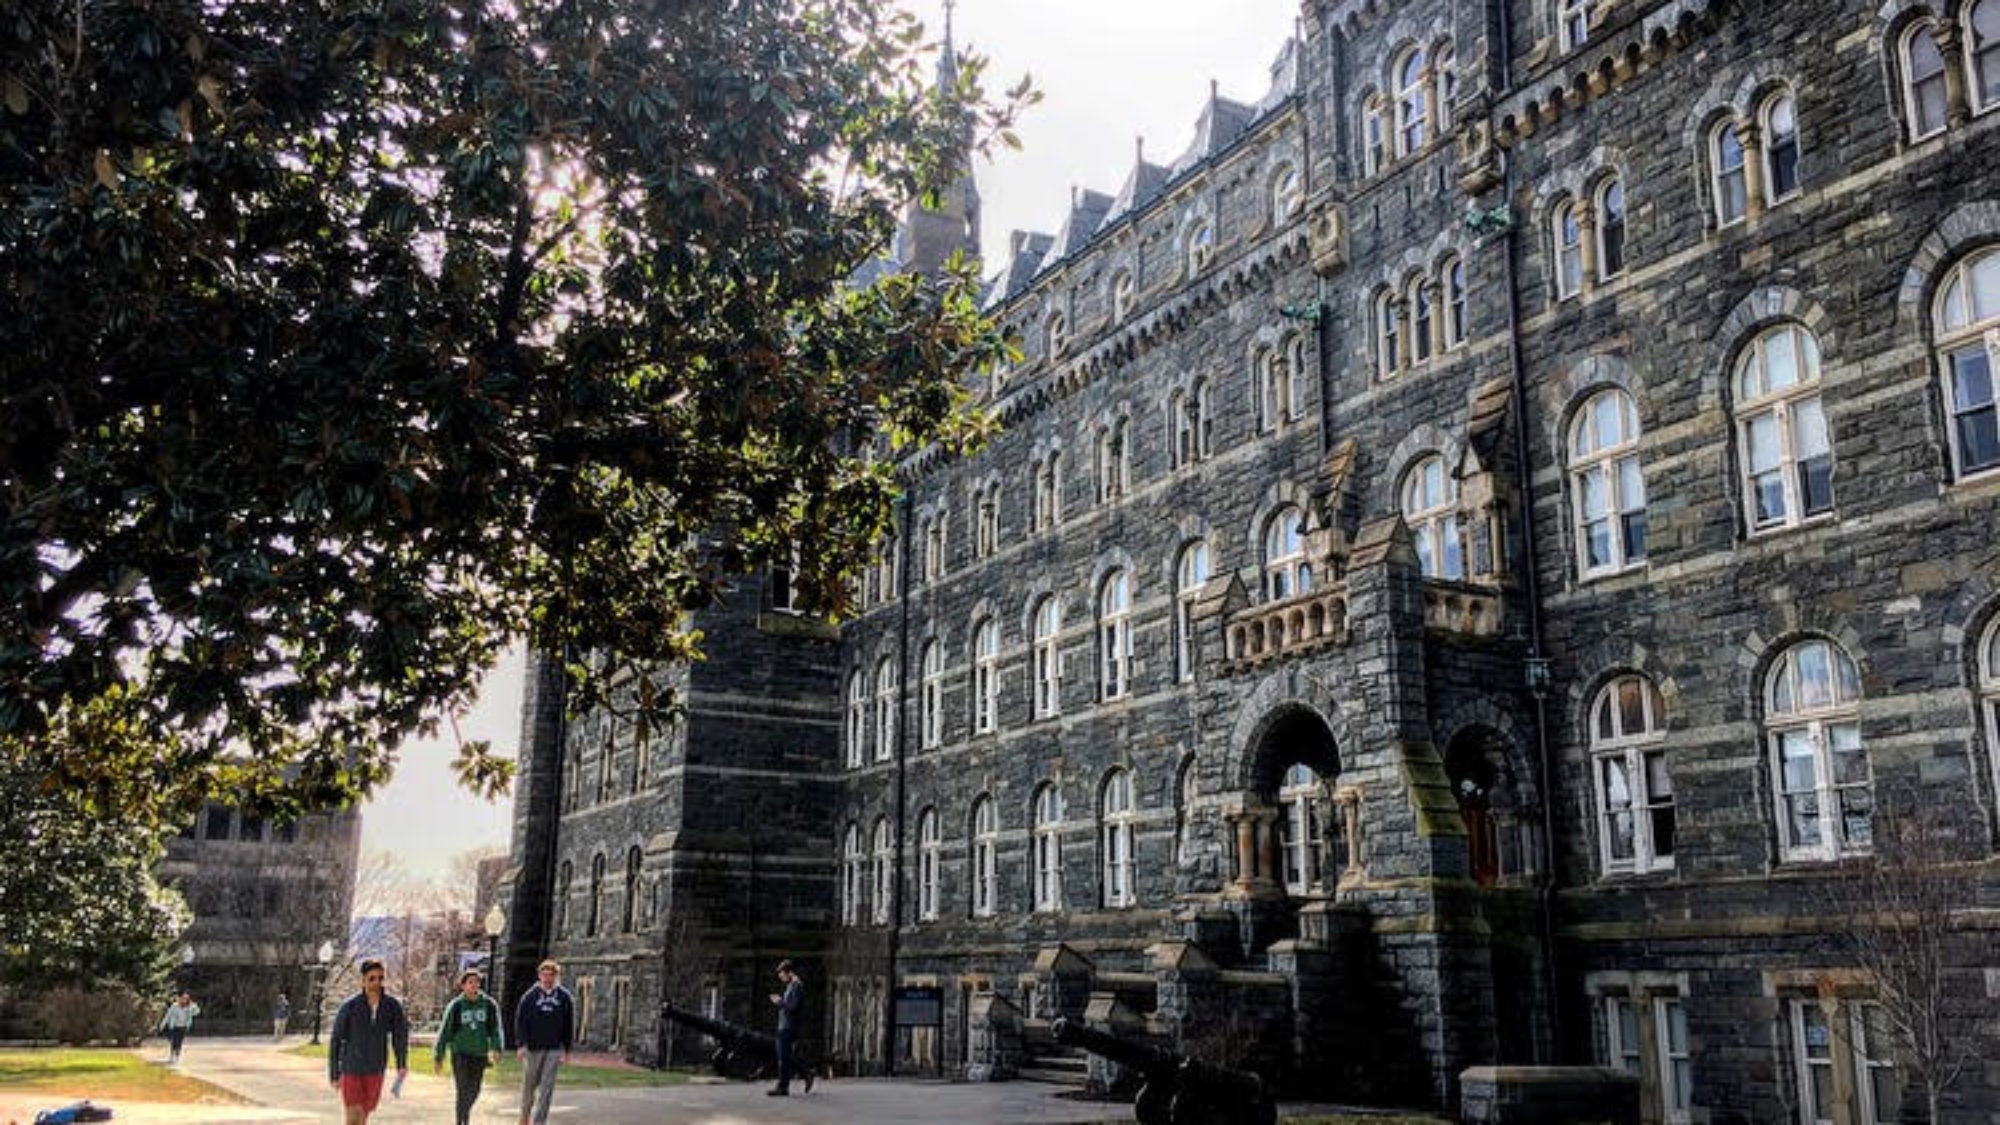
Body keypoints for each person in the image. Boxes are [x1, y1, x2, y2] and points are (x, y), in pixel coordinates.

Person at [326, 959, 410, 1125]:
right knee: (353, 1116)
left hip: (376, 1068)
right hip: (352, 1068)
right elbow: (336, 1040)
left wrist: (401, 1062)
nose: (377, 982)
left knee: (364, 1115)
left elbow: (400, 1036)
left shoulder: (392, 1006)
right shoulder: (350, 1006)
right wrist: (335, 1073)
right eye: (372, 978)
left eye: (380, 978)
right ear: (363, 980)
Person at [433, 970, 505, 1125]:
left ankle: (462, 1116)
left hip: (479, 1054)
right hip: (460, 1054)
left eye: (477, 982)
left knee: (474, 1091)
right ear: (463, 985)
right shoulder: (456, 1006)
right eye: (470, 982)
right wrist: (439, 1055)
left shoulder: (489, 1004)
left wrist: (497, 1048)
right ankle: (462, 1121)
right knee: (463, 1090)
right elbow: (445, 1031)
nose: (474, 986)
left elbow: (495, 1029)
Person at [513, 959, 575, 1125]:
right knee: (529, 1085)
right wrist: (521, 1044)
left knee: (547, 1088)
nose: (547, 978)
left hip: (553, 1048)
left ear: (556, 976)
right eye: (544, 975)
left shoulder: (564, 997)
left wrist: (567, 1049)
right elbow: (521, 1022)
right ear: (539, 975)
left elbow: (568, 1024)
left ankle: (540, 1121)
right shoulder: (530, 996)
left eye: (551, 975)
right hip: (533, 1048)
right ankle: (524, 1117)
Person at [766, 960, 813, 1096]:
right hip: (785, 1025)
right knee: (784, 1057)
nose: (780, 977)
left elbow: (792, 1007)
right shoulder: (791, 985)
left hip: (789, 1027)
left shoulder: (796, 986)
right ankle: (802, 1075)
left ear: (789, 972)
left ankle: (784, 1085)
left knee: (783, 1057)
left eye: (782, 974)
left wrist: (779, 1001)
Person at [158, 991, 199, 1064]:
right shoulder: (174, 1006)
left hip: (183, 1027)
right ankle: (172, 1055)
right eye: (183, 998)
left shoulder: (189, 1007)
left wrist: (193, 1005)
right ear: (179, 998)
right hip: (174, 1026)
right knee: (174, 1041)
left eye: (186, 998)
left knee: (179, 1042)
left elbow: (196, 1012)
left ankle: (177, 1056)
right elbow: (168, 1015)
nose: (184, 1000)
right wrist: (162, 1024)